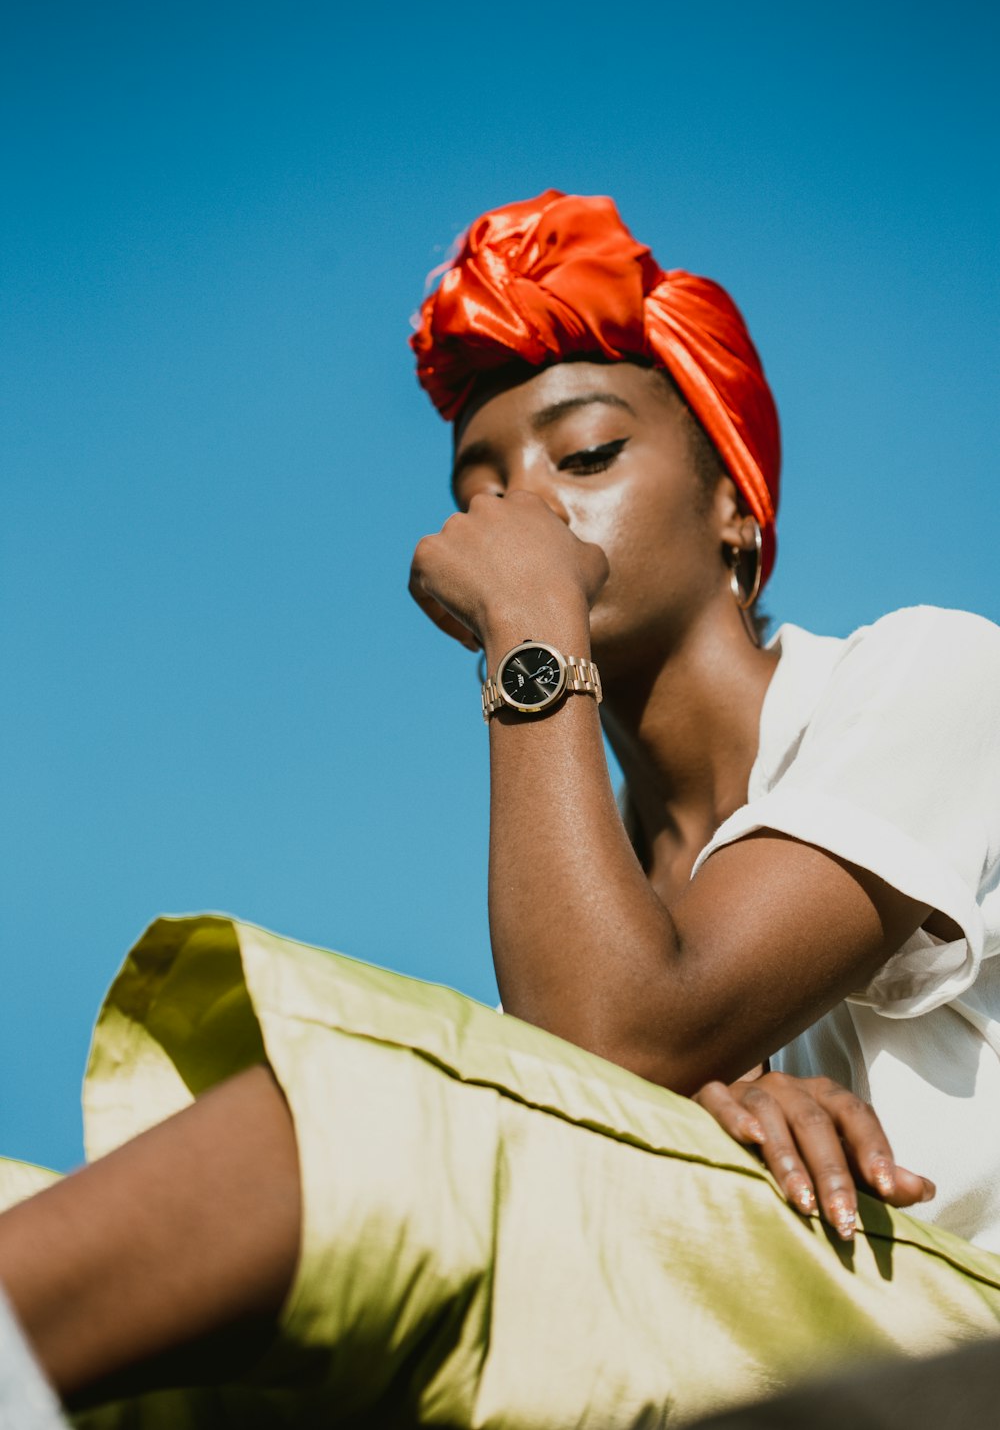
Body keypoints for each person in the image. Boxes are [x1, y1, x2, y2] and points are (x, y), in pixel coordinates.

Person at [2, 189, 1000, 1429]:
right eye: (483, 489)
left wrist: (530, 623)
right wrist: (686, 1102)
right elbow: (614, 1054)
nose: (523, 510)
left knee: (405, 1115)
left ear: (737, 507)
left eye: (585, 457)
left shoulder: (932, 675)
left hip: (959, 1334)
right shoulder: (593, 892)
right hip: (758, 1325)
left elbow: (600, 1046)